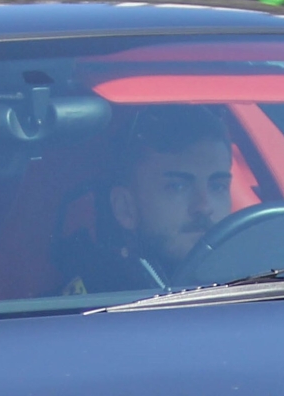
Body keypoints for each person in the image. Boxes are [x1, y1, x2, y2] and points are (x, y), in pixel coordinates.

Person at [56, 107, 236, 295]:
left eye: (218, 186)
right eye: (177, 187)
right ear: (125, 208)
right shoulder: (91, 309)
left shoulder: (262, 278)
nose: (204, 206)